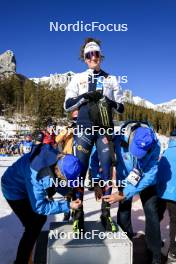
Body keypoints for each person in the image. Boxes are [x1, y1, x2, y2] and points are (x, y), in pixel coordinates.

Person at [64, 37, 124, 233]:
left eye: (96, 54)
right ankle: (78, 215)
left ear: (101, 56)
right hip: (83, 128)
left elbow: (122, 107)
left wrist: (110, 102)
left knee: (106, 169)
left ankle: (105, 214)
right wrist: (83, 97)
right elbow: (66, 105)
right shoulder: (77, 78)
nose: (93, 58)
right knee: (79, 171)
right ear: (84, 57)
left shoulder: (111, 79)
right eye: (89, 55)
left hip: (104, 129)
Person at [1, 143, 82, 264]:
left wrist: (66, 191)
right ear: (59, 171)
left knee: (39, 220)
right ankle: (21, 261)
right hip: (13, 188)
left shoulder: (57, 159)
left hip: (24, 182)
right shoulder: (37, 174)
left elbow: (55, 180)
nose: (65, 182)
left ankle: (28, 251)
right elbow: (40, 206)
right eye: (65, 179)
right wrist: (67, 205)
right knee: (33, 225)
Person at [103, 121, 161, 264]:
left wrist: (124, 193)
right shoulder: (117, 137)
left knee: (151, 211)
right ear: (129, 137)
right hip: (124, 178)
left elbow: (150, 175)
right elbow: (99, 150)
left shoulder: (155, 144)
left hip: (145, 180)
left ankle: (154, 256)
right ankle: (124, 245)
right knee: (123, 211)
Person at [157, 129, 176, 264]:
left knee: (157, 217)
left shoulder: (166, 151)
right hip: (174, 194)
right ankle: (173, 251)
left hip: (161, 192)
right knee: (174, 221)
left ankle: (153, 242)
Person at [55, 110, 78, 221]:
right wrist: (67, 130)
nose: (76, 122)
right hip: (66, 161)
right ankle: (66, 211)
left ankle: (75, 211)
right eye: (74, 119)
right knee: (66, 188)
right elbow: (57, 139)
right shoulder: (68, 130)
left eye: (78, 119)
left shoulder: (85, 129)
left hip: (78, 162)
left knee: (76, 188)